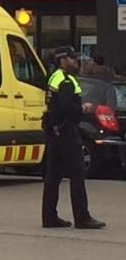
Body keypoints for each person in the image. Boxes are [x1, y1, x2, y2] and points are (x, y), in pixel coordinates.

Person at [42, 46, 105, 230]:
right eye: (71, 58)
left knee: (53, 176)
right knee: (77, 173)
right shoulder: (66, 81)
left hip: (54, 131)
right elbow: (66, 108)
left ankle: (49, 217)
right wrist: (82, 109)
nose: (75, 61)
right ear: (63, 60)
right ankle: (82, 217)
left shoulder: (55, 77)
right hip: (67, 132)